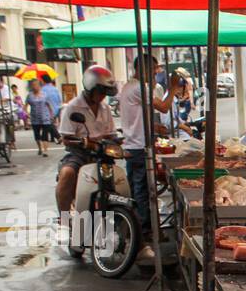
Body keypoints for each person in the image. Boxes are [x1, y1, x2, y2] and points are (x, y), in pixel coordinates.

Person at [119, 54, 174, 241]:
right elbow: (164, 107)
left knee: (138, 190)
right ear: (141, 69)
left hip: (133, 145)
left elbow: (138, 117)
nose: (154, 73)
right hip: (138, 148)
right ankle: (145, 232)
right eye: (152, 70)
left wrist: (154, 127)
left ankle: (139, 229)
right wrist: (173, 88)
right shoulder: (139, 87)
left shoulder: (129, 86)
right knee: (142, 191)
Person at [56, 65, 117, 216]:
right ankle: (64, 219)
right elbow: (66, 138)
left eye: (106, 92)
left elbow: (111, 134)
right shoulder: (72, 107)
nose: (103, 95)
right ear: (90, 87)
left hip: (103, 153)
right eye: (101, 91)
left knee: (118, 179)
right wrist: (85, 142)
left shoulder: (105, 109)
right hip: (79, 153)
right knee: (67, 173)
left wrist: (117, 142)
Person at [26, 78, 55, 157]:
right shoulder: (29, 95)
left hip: (45, 117)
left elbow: (49, 105)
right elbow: (25, 106)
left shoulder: (45, 95)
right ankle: (40, 148)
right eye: (33, 85)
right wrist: (27, 114)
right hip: (34, 118)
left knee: (45, 135)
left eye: (36, 85)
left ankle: (45, 151)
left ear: (40, 86)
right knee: (37, 135)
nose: (35, 87)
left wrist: (52, 115)